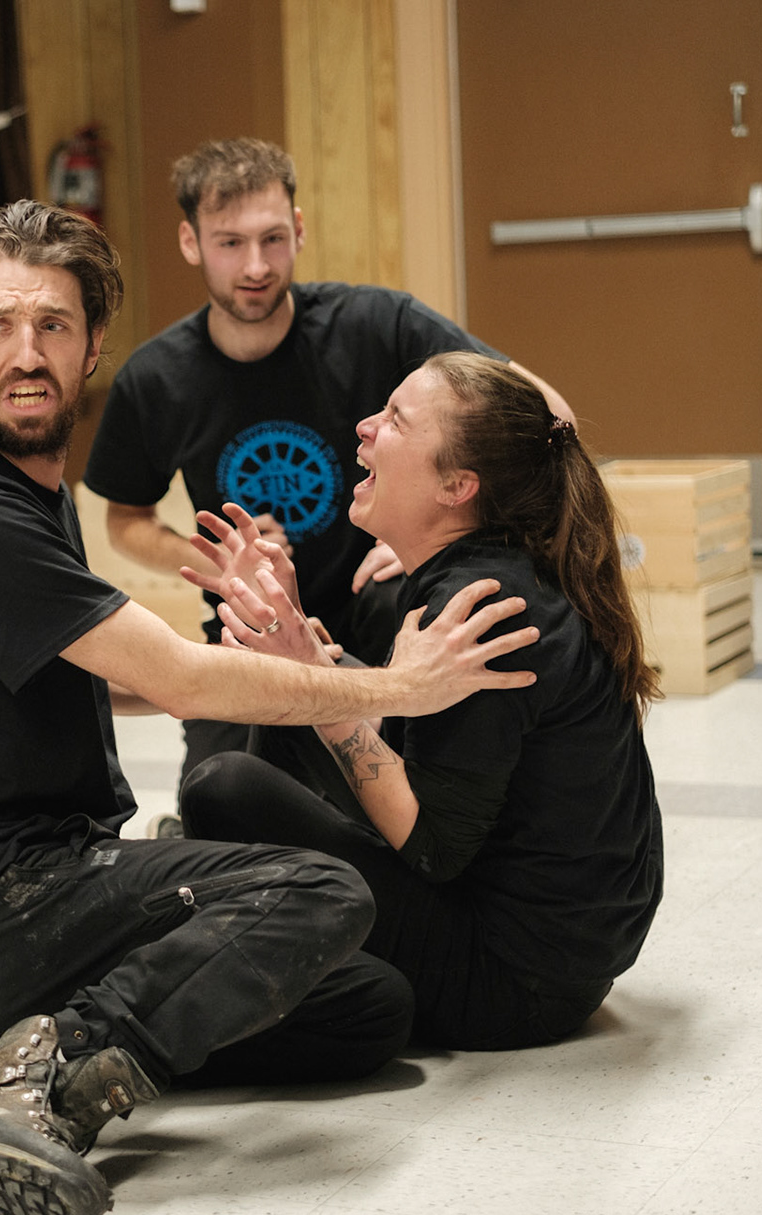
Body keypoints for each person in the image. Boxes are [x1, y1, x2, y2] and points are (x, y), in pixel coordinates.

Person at [0, 200, 542, 1215]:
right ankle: (31, 1075)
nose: (28, 354)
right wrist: (396, 688)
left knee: (367, 1006)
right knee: (320, 891)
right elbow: (182, 681)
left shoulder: (28, 489)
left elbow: (114, 679)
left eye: (53, 325)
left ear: (93, 346)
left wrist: (283, 658)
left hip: (35, 889)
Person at [178, 351, 664, 1051]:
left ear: (457, 486)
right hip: (560, 955)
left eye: (396, 420)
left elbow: (435, 848)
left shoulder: (481, 609)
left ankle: (248, 954)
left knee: (225, 787)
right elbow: (416, 739)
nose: (365, 427)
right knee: (298, 703)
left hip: (513, 983)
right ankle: (267, 930)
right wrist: (301, 652)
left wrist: (315, 690)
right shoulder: (496, 568)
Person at [83, 137, 572, 788]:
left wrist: (437, 536)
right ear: (190, 242)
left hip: (383, 614)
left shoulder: (377, 323)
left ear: (299, 229)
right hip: (249, 631)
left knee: (396, 789)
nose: (255, 265)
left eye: (272, 239)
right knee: (218, 793)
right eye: (229, 243)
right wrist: (223, 563)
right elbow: (125, 522)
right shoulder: (154, 378)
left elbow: (552, 418)